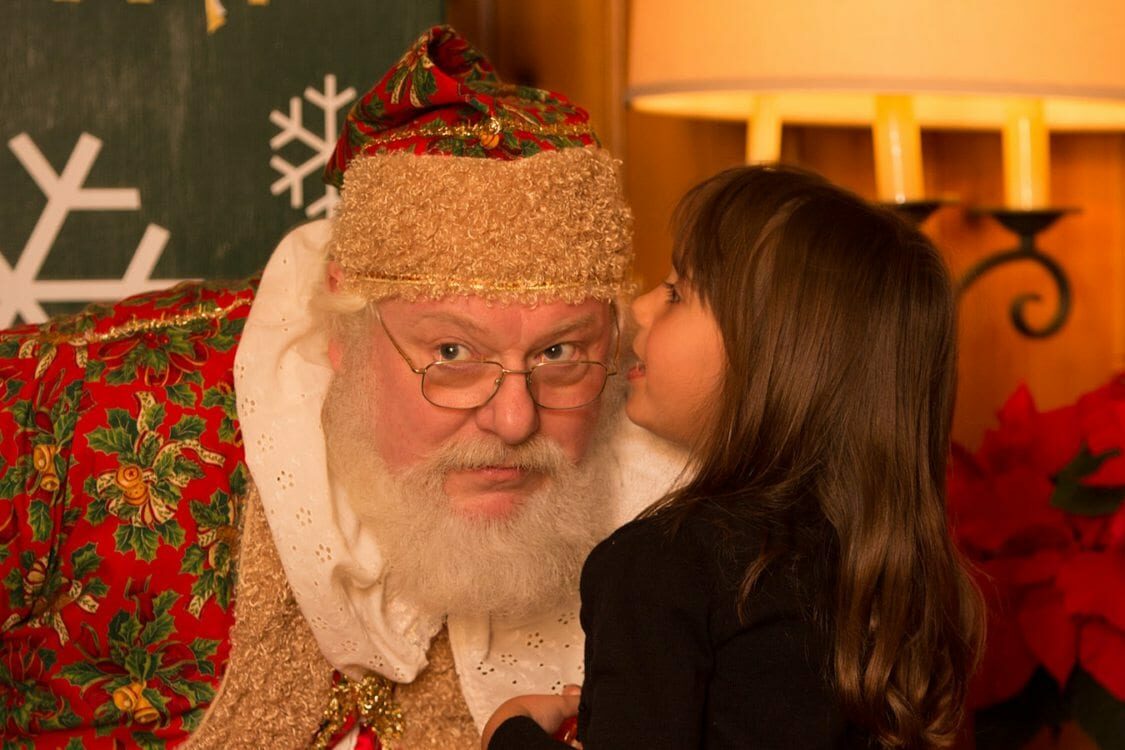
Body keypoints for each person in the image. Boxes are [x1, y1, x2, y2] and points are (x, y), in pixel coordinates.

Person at [0, 26, 684, 749]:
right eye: (452, 352)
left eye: (559, 352)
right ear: (344, 326)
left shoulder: (682, 503)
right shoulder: (62, 408)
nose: (515, 420)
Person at [482, 165, 986, 749]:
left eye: (677, 293)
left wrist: (509, 732)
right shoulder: (890, 570)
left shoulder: (657, 566)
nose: (640, 307)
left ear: (772, 357)